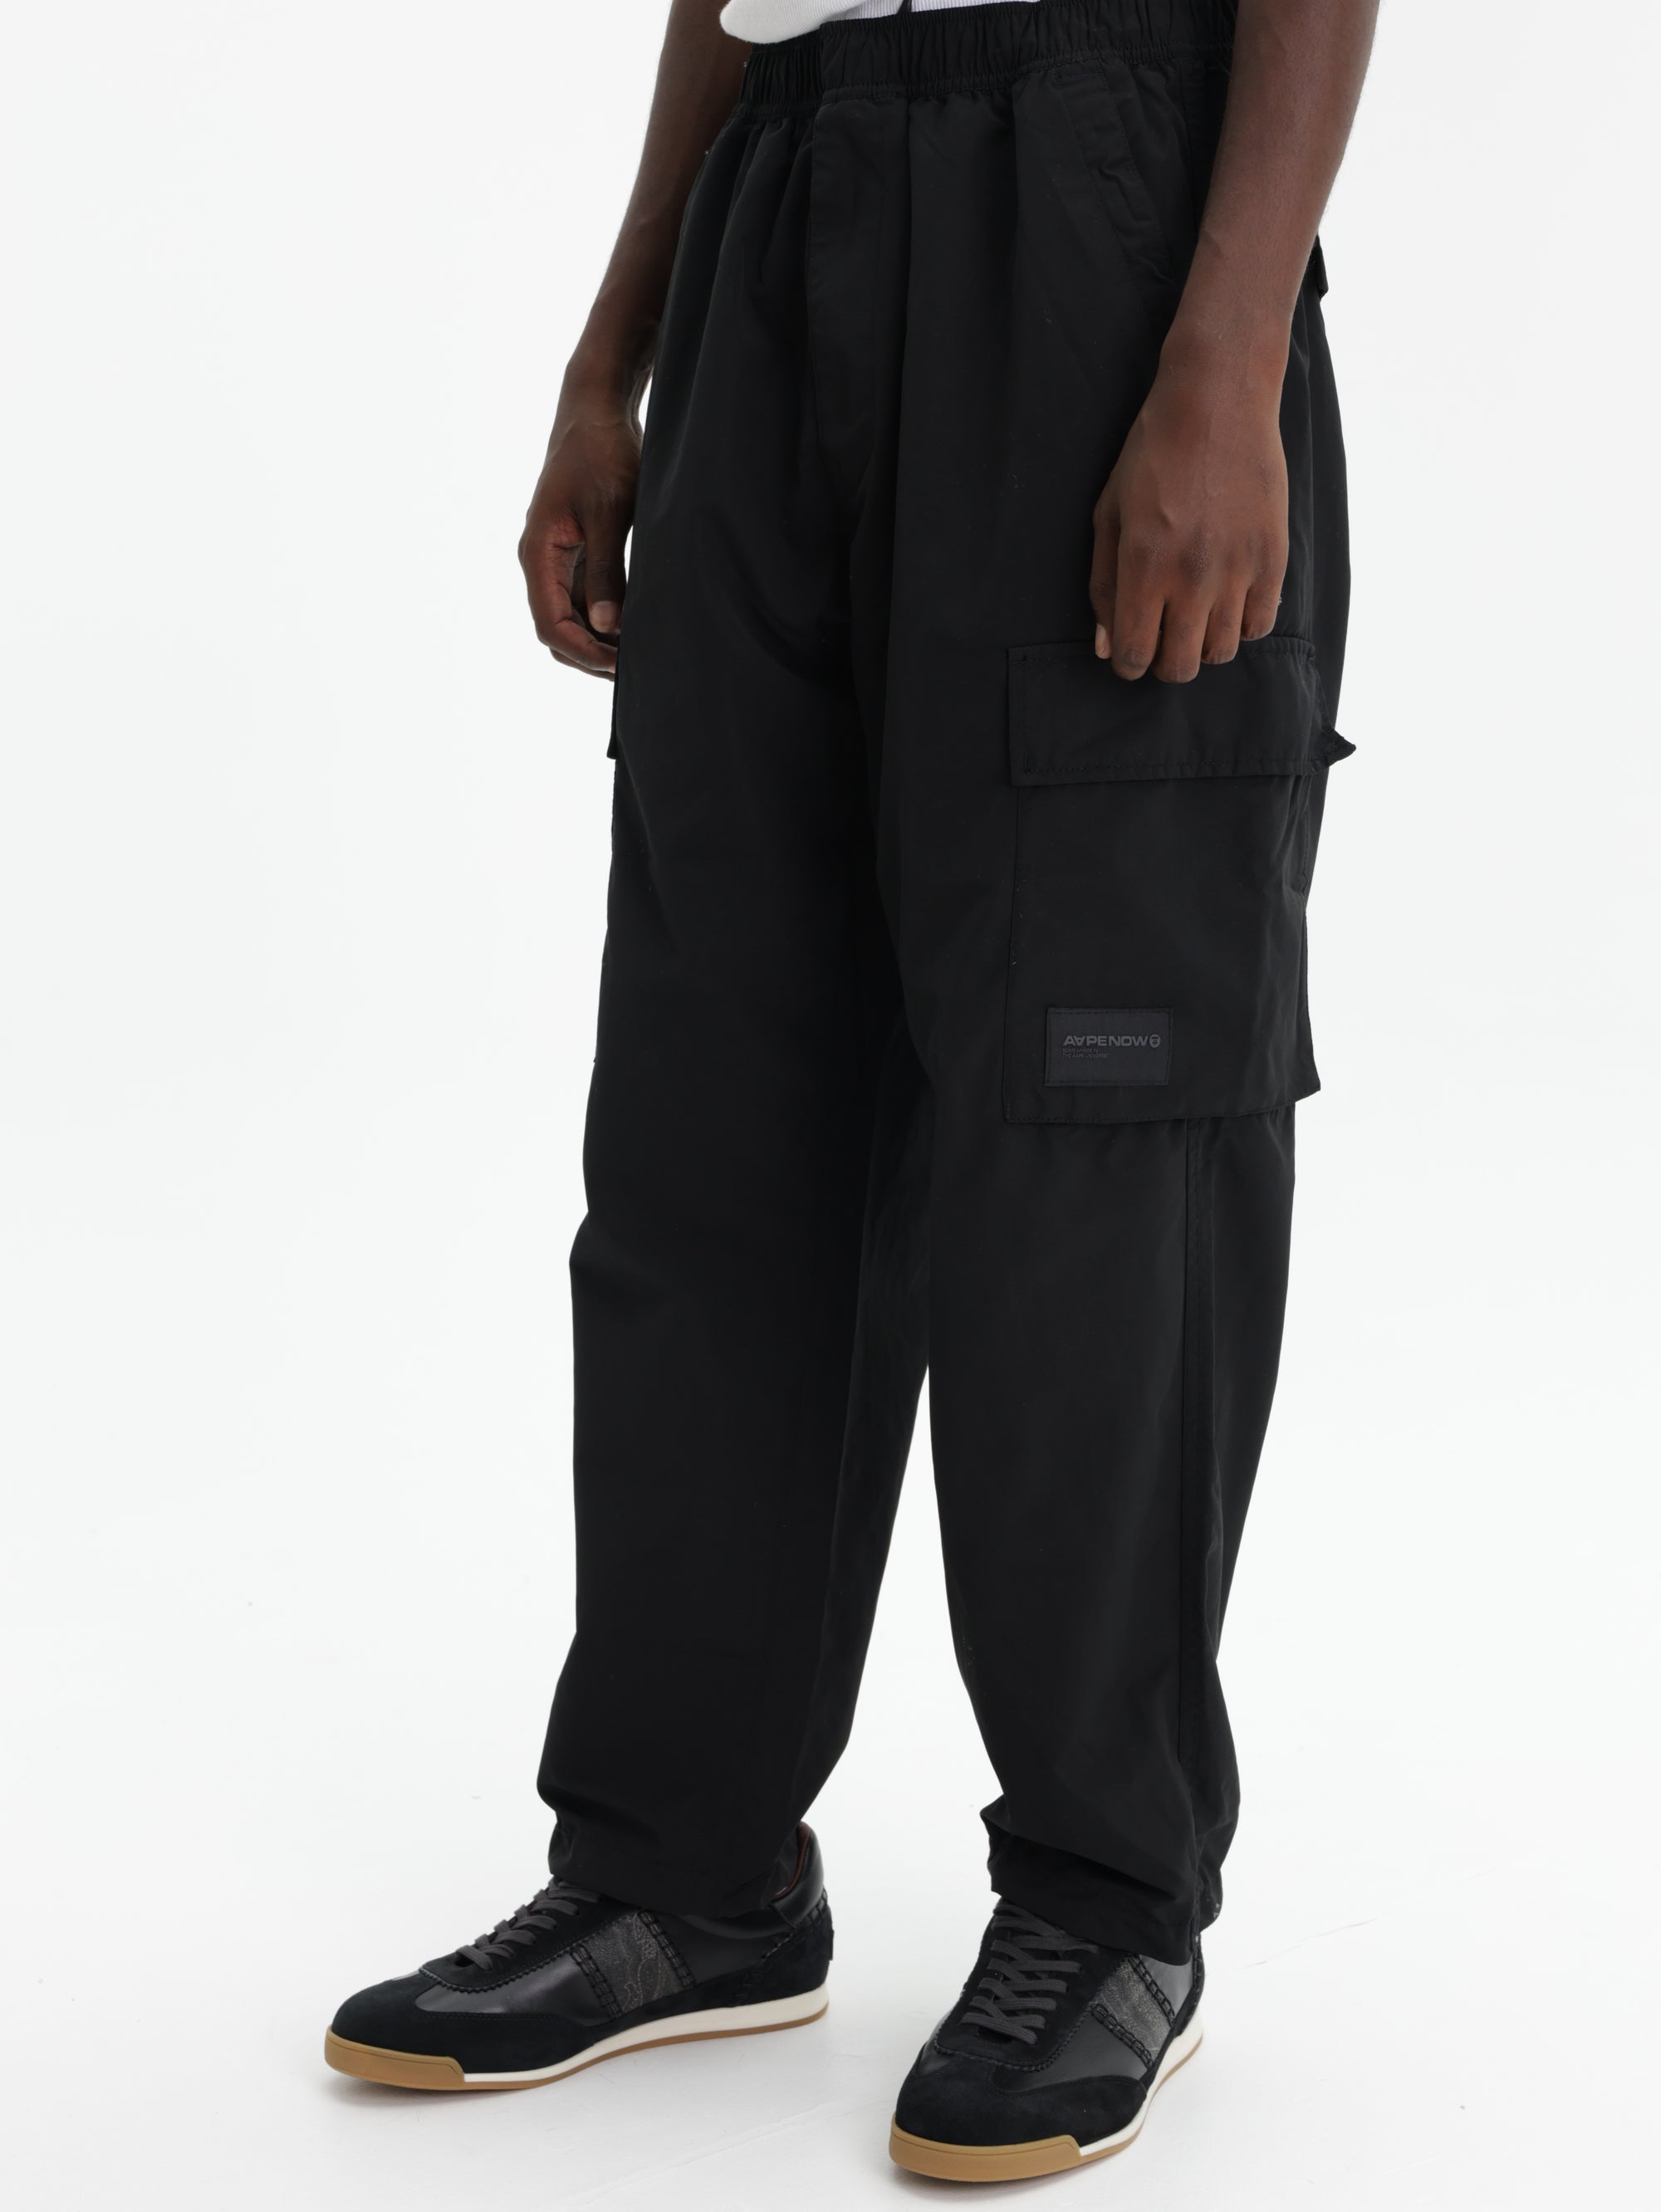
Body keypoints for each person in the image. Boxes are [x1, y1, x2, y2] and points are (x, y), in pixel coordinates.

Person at [326, 0, 1375, 2181]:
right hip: (784, 199)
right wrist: (613, 358)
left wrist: (1225, 355)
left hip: (1102, 198)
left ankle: (1111, 1895)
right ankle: (684, 1872)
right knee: (716, 1129)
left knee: (1094, 1138)